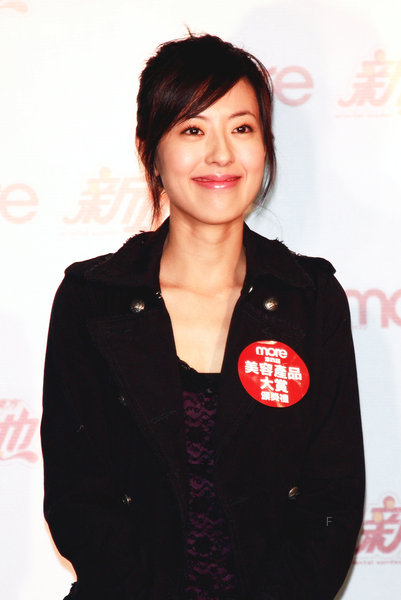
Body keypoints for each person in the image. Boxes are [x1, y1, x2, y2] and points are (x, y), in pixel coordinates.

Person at [41, 33, 365, 600]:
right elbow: (79, 498)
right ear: (150, 150)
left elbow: (330, 501)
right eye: (193, 130)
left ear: (265, 146)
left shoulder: (311, 299)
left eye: (242, 128)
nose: (221, 154)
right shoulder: (92, 300)